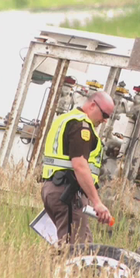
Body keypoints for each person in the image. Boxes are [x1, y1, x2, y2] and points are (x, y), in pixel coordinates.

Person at [41, 91, 114, 245]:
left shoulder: (64, 119)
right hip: (67, 192)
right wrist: (97, 202)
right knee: (75, 250)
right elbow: (80, 166)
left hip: (54, 188)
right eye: (105, 115)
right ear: (93, 105)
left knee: (81, 244)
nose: (105, 121)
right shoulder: (81, 126)